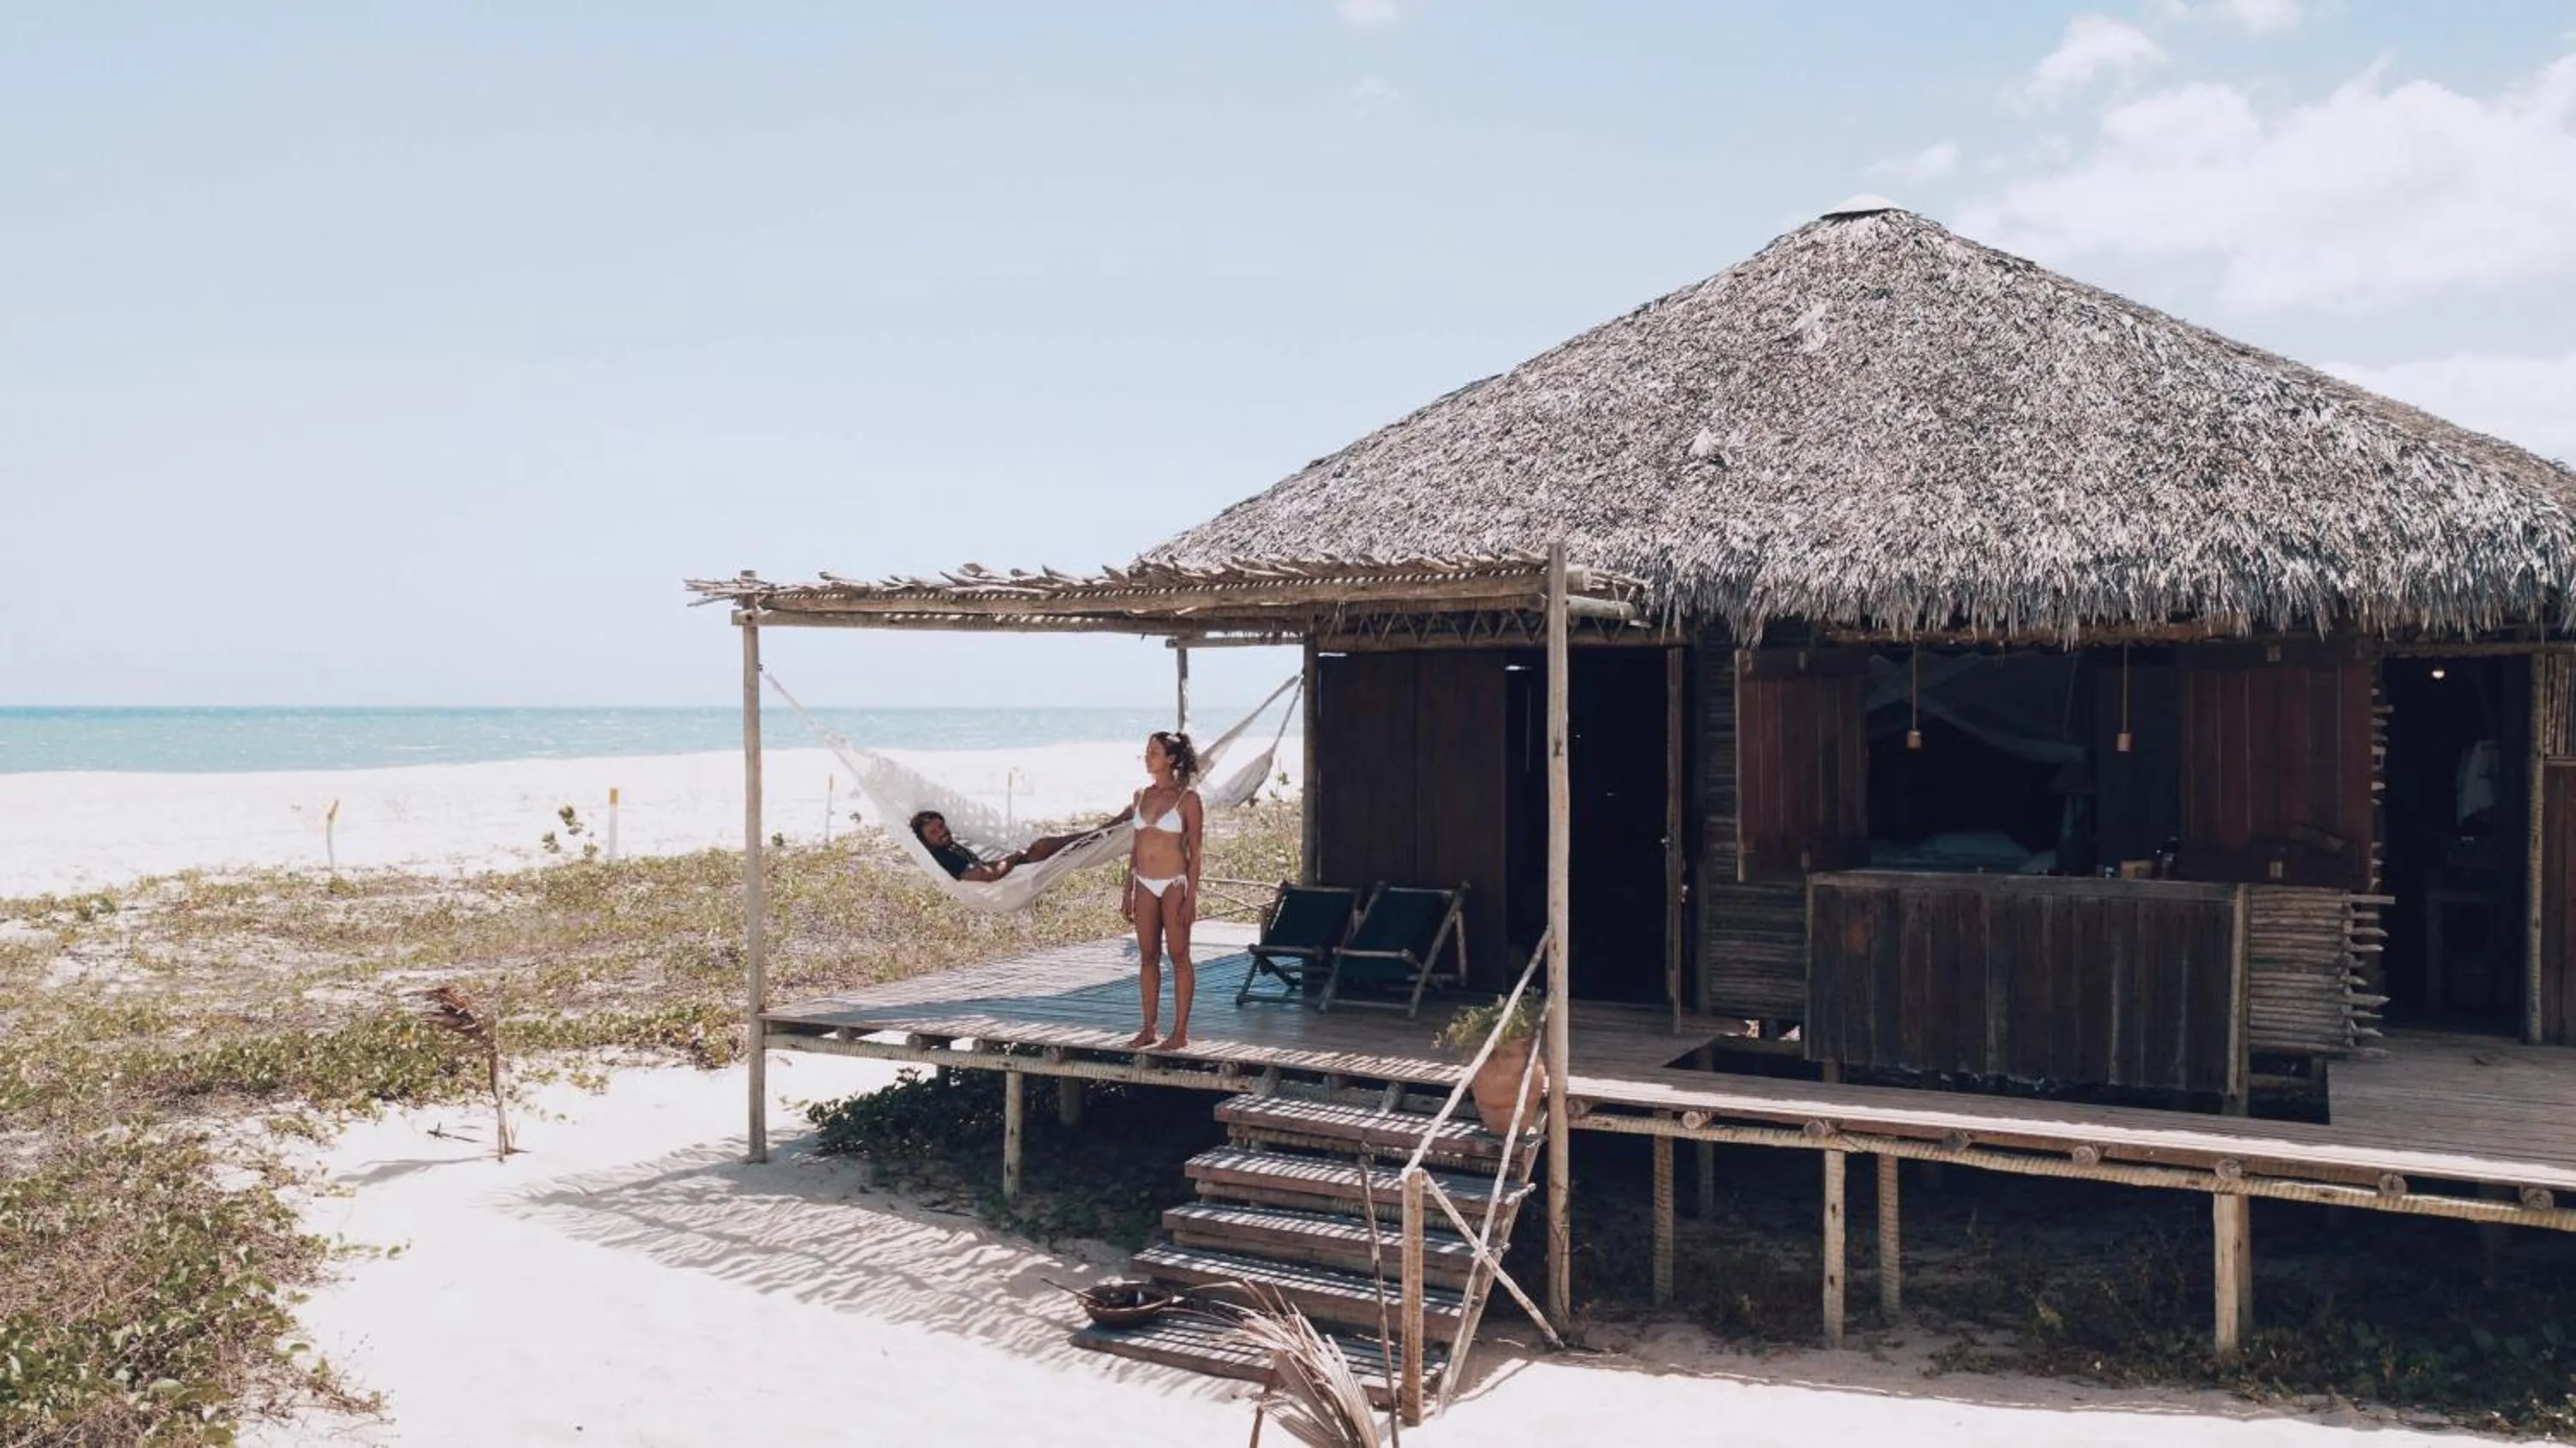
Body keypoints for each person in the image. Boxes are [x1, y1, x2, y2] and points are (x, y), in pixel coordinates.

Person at [1122, 730, 1204, 1051]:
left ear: (1171, 759)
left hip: (1173, 884)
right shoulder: (1140, 796)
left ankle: (1180, 1032)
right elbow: (1136, 845)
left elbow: (1194, 851)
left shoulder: (1188, 800)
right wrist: (1127, 888)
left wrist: (1191, 896)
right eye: (1147, 751)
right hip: (1143, 882)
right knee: (1147, 956)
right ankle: (1148, 1028)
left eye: (1154, 752)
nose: (1147, 756)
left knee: (1179, 955)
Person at [908, 810, 1113, 884]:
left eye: (941, 826)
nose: (942, 832)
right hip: (1006, 881)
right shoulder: (944, 857)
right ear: (925, 841)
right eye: (934, 832)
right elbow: (985, 875)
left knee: (1055, 847)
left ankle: (1105, 833)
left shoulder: (949, 847)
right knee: (1044, 846)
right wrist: (1016, 856)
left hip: (1010, 875)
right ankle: (1108, 830)